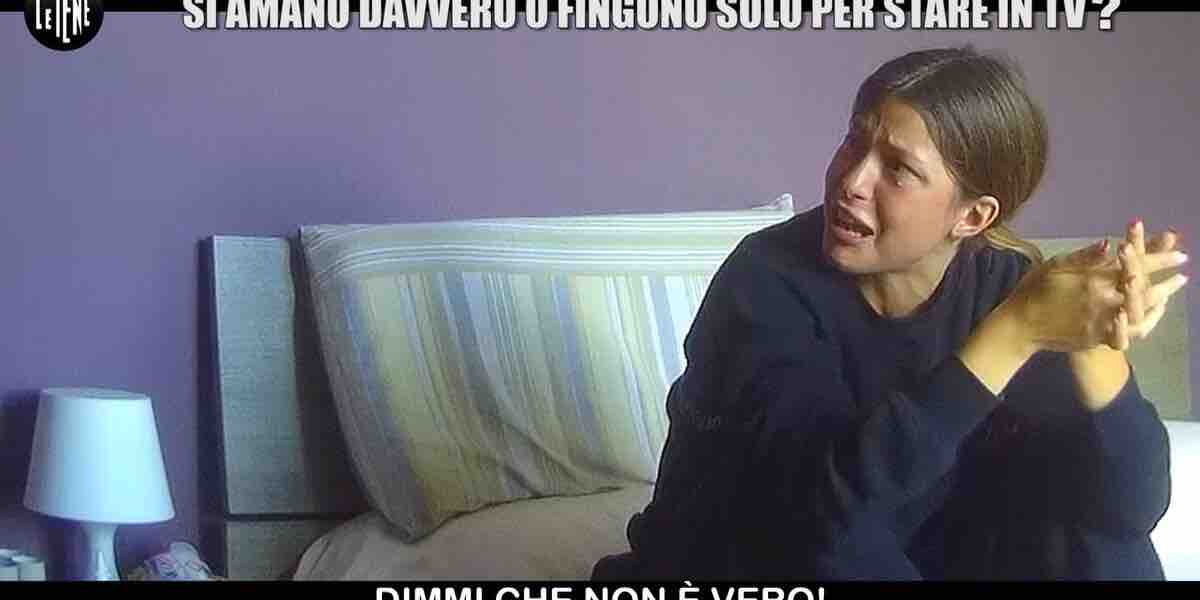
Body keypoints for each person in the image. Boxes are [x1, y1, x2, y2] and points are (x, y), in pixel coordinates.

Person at [592, 46, 1189, 580]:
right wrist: (1010, 335)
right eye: (854, 142)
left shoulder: (1007, 286)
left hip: (909, 548)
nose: (851, 181)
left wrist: (1094, 344)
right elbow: (825, 514)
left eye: (898, 169)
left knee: (1086, 530)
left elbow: (1128, 513)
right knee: (841, 539)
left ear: (972, 217)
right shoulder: (764, 280)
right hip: (748, 550)